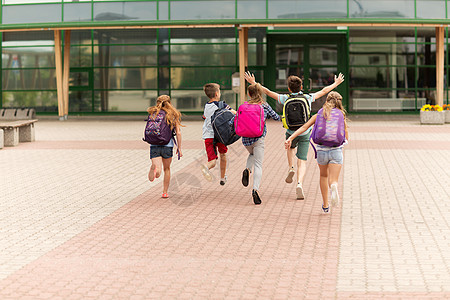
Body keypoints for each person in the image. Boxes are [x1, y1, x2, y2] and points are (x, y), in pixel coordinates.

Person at [244, 71, 345, 200]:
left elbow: (268, 92)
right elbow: (323, 91)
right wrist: (335, 83)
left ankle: (290, 167)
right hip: (304, 132)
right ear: (301, 87)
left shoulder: (285, 98)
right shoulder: (307, 98)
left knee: (290, 147)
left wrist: (254, 83)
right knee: (302, 160)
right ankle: (299, 183)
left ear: (289, 88)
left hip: (291, 131)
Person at [285, 91, 349, 213]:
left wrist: (291, 138)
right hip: (336, 150)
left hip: (321, 152)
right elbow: (346, 136)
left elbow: (304, 127)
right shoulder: (341, 115)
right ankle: (334, 185)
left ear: (327, 101)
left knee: (323, 175)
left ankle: (325, 205)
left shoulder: (319, 114)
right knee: (333, 179)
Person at [235, 83, 281, 205]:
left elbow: (234, 121)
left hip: (245, 139)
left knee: (252, 154)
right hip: (259, 138)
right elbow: (276, 117)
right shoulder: (264, 105)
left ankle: (247, 169)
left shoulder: (243, 106)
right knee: (259, 165)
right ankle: (255, 189)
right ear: (260, 93)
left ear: (249, 94)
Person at [147, 95, 183, 198]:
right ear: (169, 103)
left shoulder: (153, 113)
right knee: (167, 169)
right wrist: (179, 148)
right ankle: (165, 192)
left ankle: (155, 169)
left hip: (154, 144)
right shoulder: (173, 115)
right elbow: (178, 133)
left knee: (158, 168)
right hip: (167, 145)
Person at [200, 83, 236, 185]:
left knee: (212, 161)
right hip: (220, 135)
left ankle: (206, 167)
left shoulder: (206, 106)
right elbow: (234, 113)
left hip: (208, 136)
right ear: (216, 93)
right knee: (223, 155)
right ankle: (222, 178)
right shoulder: (222, 105)